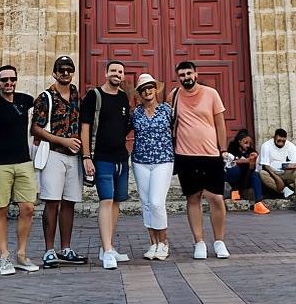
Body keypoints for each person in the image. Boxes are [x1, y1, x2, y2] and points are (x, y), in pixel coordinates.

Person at [0, 64, 39, 276]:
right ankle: (4, 257)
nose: (9, 83)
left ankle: (21, 255)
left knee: (28, 208)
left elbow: (45, 104)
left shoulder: (25, 100)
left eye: (12, 79)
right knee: (0, 209)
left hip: (23, 162)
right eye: (4, 80)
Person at [31, 55, 87, 268]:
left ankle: (66, 248)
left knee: (69, 203)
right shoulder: (45, 97)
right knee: (52, 202)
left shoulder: (75, 95)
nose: (65, 73)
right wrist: (62, 140)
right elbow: (35, 128)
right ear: (54, 73)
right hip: (54, 154)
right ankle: (48, 251)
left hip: (74, 157)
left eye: (69, 70)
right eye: (61, 70)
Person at [171, 60, 231, 259]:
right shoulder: (174, 96)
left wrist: (223, 150)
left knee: (216, 198)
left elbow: (220, 124)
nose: (186, 78)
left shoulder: (211, 94)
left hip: (210, 154)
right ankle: (199, 242)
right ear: (178, 77)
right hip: (185, 155)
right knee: (193, 198)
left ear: (196, 74)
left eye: (189, 73)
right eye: (182, 75)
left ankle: (219, 241)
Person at [81, 59, 133, 270]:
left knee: (117, 203)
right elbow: (85, 127)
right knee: (106, 200)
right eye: (113, 70)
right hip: (101, 157)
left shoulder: (123, 97)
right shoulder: (94, 96)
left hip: (121, 157)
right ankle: (108, 251)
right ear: (105, 73)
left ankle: (107, 247)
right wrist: (86, 156)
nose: (117, 74)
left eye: (120, 72)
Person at [131, 73, 175, 260]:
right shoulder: (136, 113)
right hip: (140, 161)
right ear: (139, 94)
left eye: (150, 87)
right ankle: (153, 243)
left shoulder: (167, 110)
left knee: (157, 202)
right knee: (147, 203)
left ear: (156, 89)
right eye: (143, 89)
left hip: (163, 160)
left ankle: (163, 242)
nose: (147, 91)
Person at [259, 128, 296, 213]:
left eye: (283, 141)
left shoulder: (290, 146)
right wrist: (276, 177)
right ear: (274, 137)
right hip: (271, 172)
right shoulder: (266, 146)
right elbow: (265, 165)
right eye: (279, 140)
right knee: (262, 173)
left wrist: (290, 166)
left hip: (286, 171)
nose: (281, 142)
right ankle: (284, 190)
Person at [225, 129, 269, 213]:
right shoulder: (232, 149)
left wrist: (254, 159)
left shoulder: (250, 151)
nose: (248, 145)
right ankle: (235, 191)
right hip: (234, 180)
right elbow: (230, 162)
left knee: (255, 175)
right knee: (235, 169)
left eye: (250, 143)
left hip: (245, 179)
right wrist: (246, 161)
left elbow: (254, 167)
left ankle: (258, 203)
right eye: (245, 143)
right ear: (239, 141)